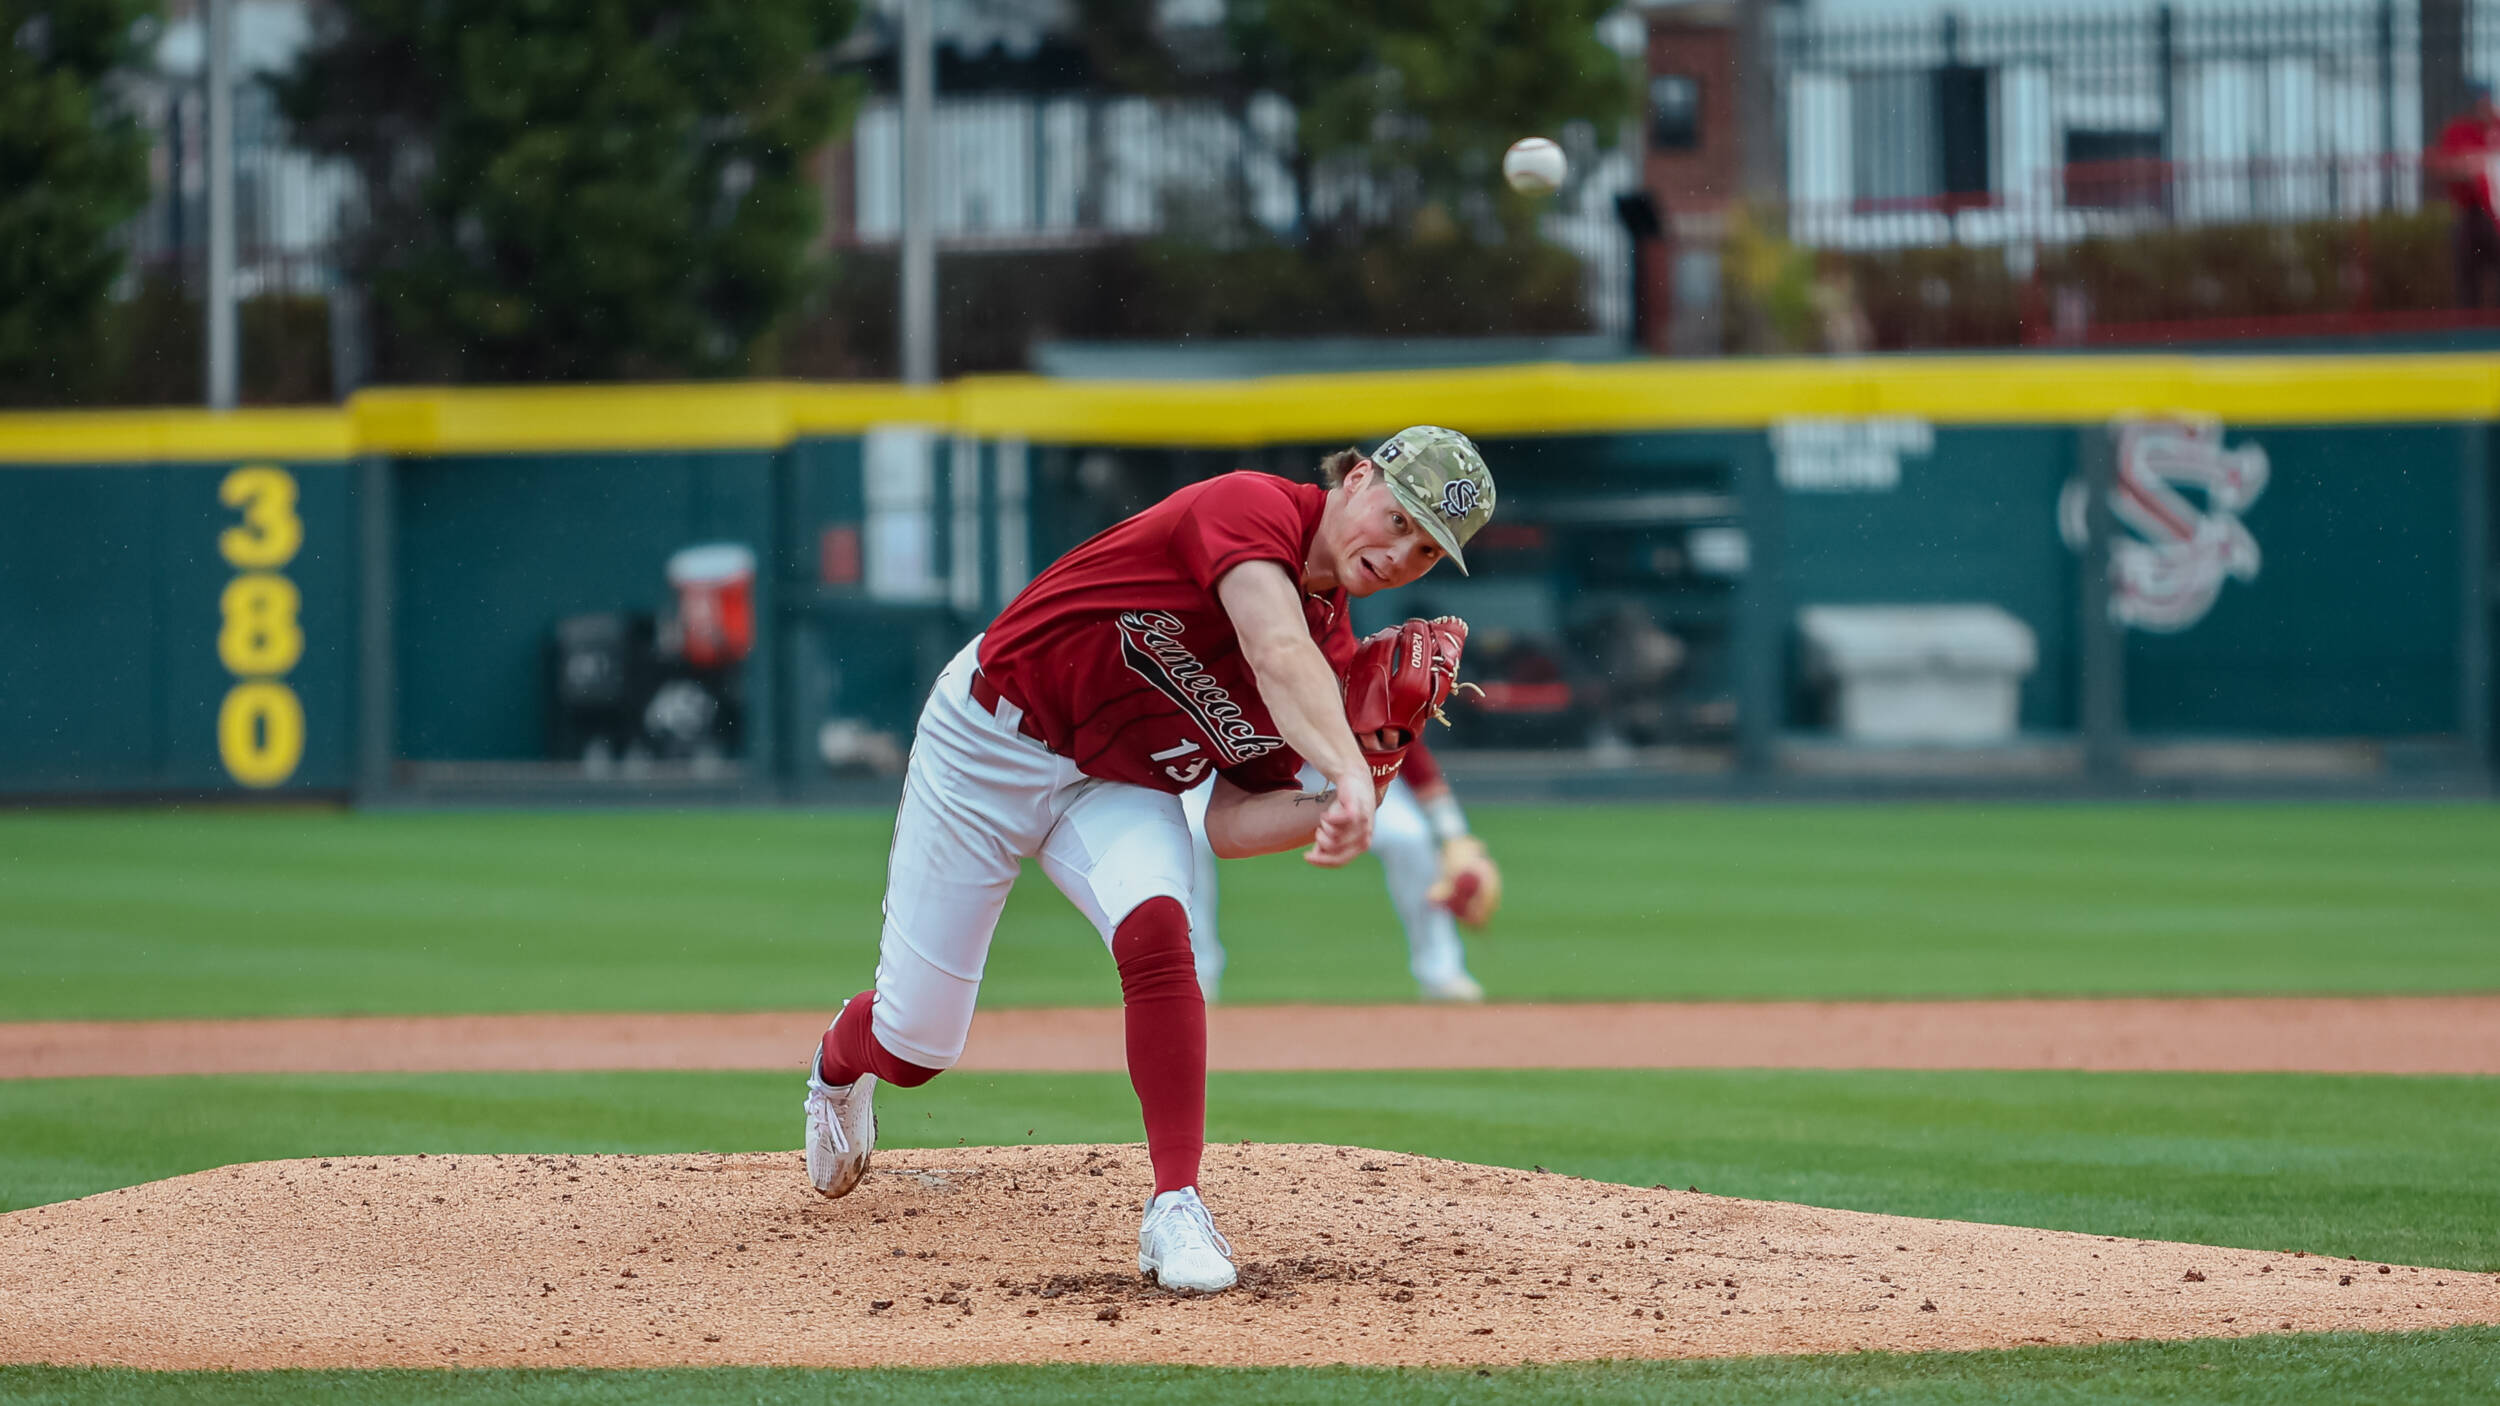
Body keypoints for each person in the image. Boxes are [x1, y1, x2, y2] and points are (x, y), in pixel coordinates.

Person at [802, 426, 1497, 1295]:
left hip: (1116, 784)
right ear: (1357, 479)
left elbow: (1231, 823)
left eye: (1426, 550)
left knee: (1162, 931)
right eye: (1398, 520)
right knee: (915, 1047)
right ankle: (838, 1067)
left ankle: (1176, 1205)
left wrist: (1356, 791)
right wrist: (1348, 771)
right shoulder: (1251, 508)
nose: (1398, 555)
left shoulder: (1328, 660)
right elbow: (1272, 645)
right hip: (987, 744)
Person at [1182, 738, 1501, 1003]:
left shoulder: (1358, 681)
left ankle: (1442, 973)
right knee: (1187, 835)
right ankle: (1196, 976)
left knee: (1409, 837)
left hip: (1336, 770)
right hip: (1228, 768)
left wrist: (1454, 834)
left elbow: (1406, 747)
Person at [2431, 83, 2500, 307]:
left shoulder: (2496, 126)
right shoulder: (2458, 130)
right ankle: (2470, 321)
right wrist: (2470, 166)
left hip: (2496, 212)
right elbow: (2443, 166)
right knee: (2468, 280)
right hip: (2471, 212)